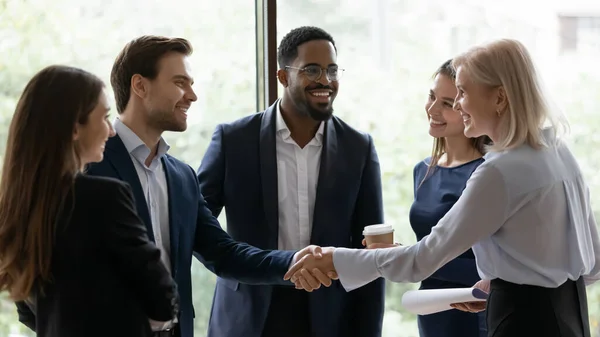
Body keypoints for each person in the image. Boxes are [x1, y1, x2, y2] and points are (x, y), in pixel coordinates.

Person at [285, 39, 600, 337]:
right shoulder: (557, 150)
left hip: (521, 323)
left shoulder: (499, 172)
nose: (458, 105)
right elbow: (593, 264)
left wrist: (334, 259)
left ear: (500, 98)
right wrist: (504, 283)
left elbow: (422, 259)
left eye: (462, 92)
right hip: (571, 318)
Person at [86, 35, 330, 337]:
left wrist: (293, 260)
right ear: (140, 85)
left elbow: (223, 253)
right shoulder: (88, 166)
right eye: (180, 83)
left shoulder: (181, 177)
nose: (192, 95)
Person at [197, 26, 385, 337]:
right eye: (312, 70)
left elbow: (370, 252)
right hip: (248, 315)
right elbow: (198, 227)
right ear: (283, 77)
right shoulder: (233, 140)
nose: (325, 80)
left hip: (329, 317)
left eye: (332, 70)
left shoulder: (358, 148)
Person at [0, 65, 179, 337]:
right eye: (104, 117)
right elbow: (162, 297)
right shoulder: (104, 197)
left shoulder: (17, 205)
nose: (111, 131)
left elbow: (28, 311)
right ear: (74, 128)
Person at [408, 59, 488, 337]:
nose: (432, 109)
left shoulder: (487, 173)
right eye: (431, 97)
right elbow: (427, 247)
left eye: (446, 103)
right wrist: (407, 257)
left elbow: (496, 269)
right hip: (431, 309)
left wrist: (410, 260)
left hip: (476, 311)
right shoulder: (423, 170)